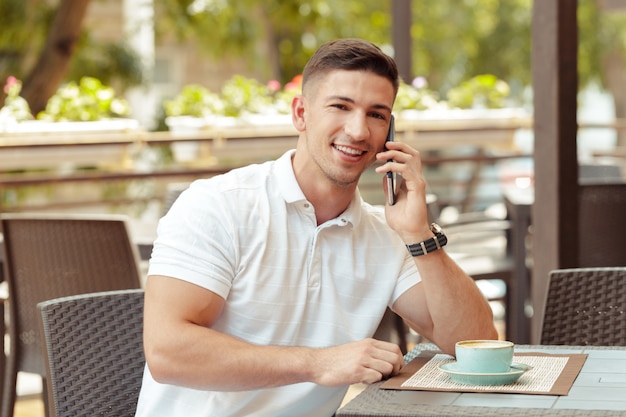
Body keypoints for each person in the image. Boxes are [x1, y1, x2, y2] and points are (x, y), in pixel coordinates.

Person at [135, 38, 497, 417]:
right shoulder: (218, 204)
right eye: (340, 106)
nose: (358, 131)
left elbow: (474, 342)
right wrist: (317, 363)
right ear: (301, 113)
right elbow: (167, 351)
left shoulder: (387, 235)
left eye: (376, 114)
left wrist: (420, 234)